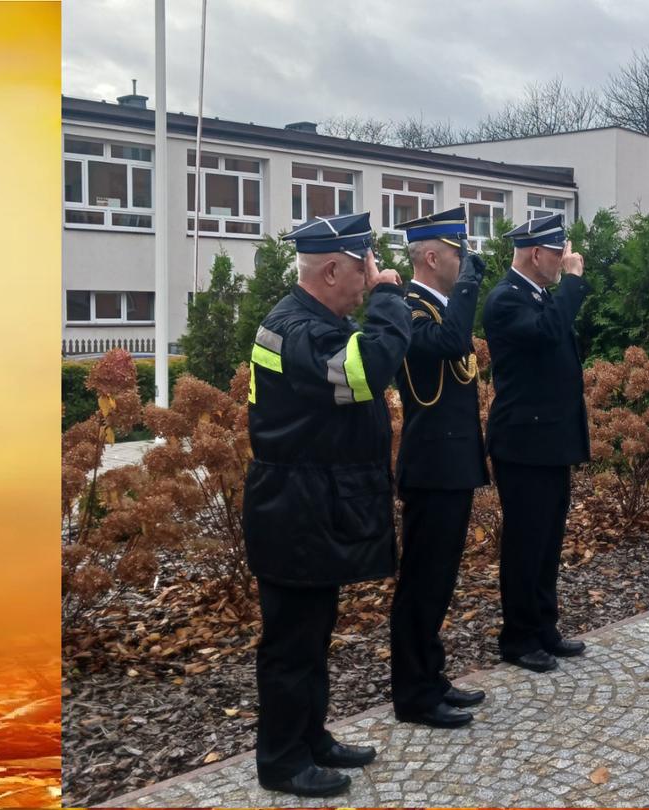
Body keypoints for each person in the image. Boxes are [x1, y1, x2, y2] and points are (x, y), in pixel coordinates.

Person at [242, 210, 407, 798]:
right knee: (291, 642)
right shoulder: (299, 330)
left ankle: (310, 737)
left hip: (305, 504)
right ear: (333, 269)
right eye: (364, 267)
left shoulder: (309, 323)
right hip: (294, 509)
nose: (370, 276)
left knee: (312, 633)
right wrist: (390, 301)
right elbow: (366, 371)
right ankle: (284, 761)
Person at [387, 207, 489, 728]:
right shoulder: (410, 310)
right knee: (421, 584)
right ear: (432, 256)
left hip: (451, 465)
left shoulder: (439, 308)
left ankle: (432, 677)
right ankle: (413, 694)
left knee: (440, 582)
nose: (467, 262)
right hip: (430, 469)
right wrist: (470, 286)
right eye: (459, 253)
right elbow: (451, 344)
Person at [481, 212, 589, 673]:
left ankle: (545, 626)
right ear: (535, 254)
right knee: (526, 542)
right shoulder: (507, 299)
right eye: (557, 252)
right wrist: (573, 284)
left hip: (550, 439)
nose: (564, 258)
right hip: (524, 443)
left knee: (547, 540)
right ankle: (519, 637)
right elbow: (546, 334)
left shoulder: (538, 295)